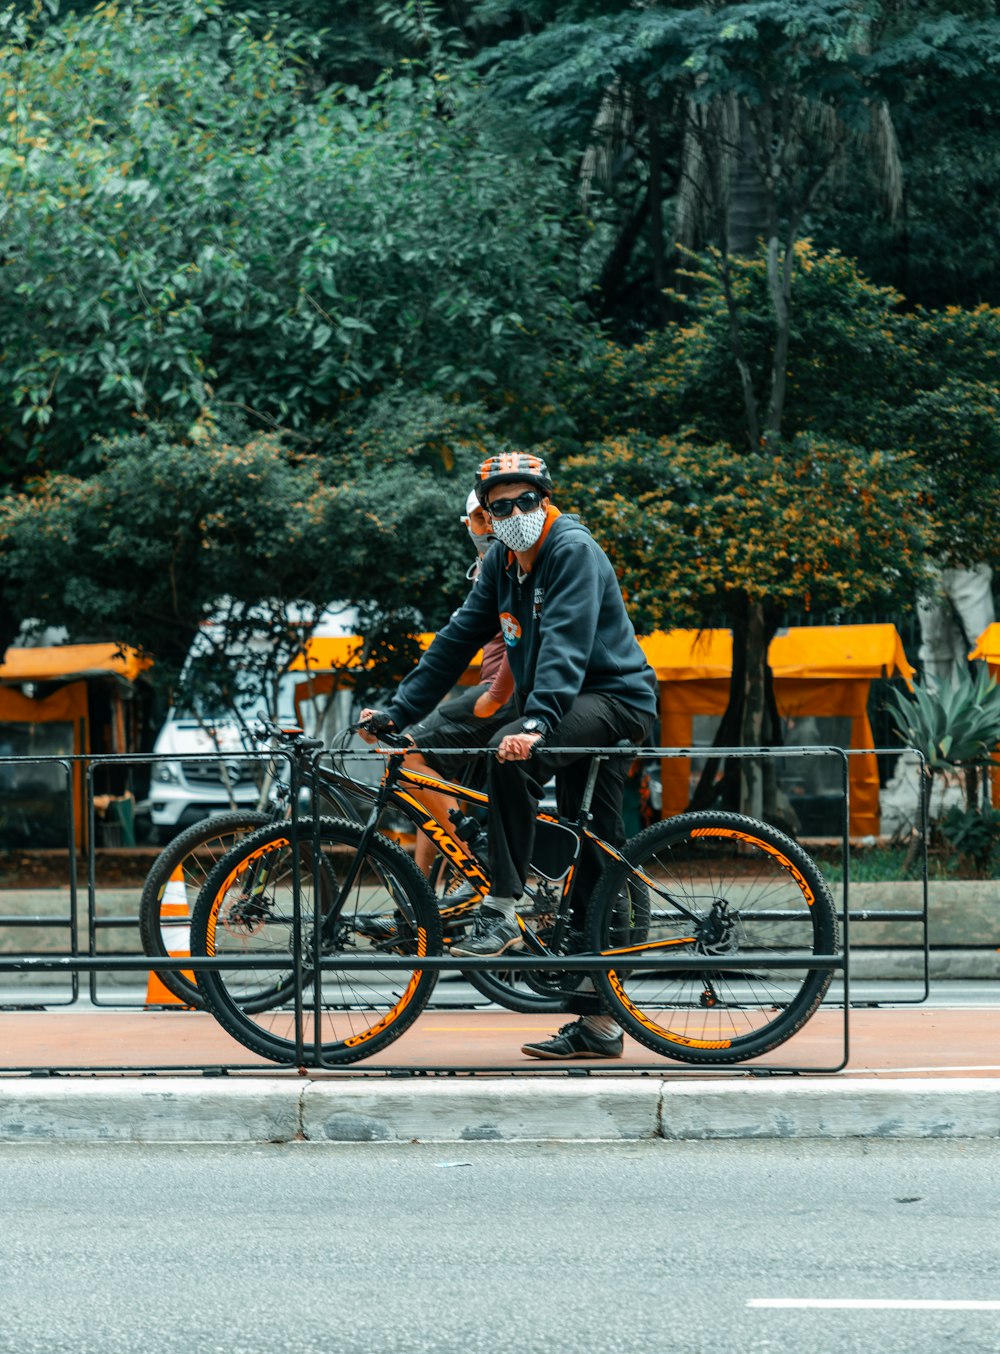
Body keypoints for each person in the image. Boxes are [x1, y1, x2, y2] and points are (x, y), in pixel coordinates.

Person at [360, 452, 659, 1060]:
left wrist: (538, 722)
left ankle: (501, 904)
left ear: (545, 499)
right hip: (571, 703)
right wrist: (399, 710)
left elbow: (568, 646)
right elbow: (454, 643)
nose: (516, 513)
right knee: (593, 852)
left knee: (509, 756)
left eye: (527, 501)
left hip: (614, 701)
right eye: (501, 506)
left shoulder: (570, 550)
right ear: (487, 515)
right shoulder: (501, 561)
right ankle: (600, 1027)